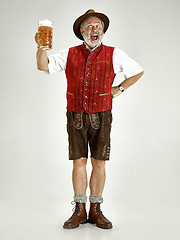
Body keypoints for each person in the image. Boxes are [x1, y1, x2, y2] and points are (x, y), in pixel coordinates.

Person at [35, 9, 144, 229]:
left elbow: (138, 71)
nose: (95, 29)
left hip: (102, 114)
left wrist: (120, 88)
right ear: (82, 31)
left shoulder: (114, 53)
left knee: (99, 162)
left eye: (98, 26)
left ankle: (95, 210)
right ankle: (79, 209)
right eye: (90, 26)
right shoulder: (69, 53)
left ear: (102, 31)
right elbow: (42, 65)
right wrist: (41, 47)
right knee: (79, 162)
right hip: (75, 114)